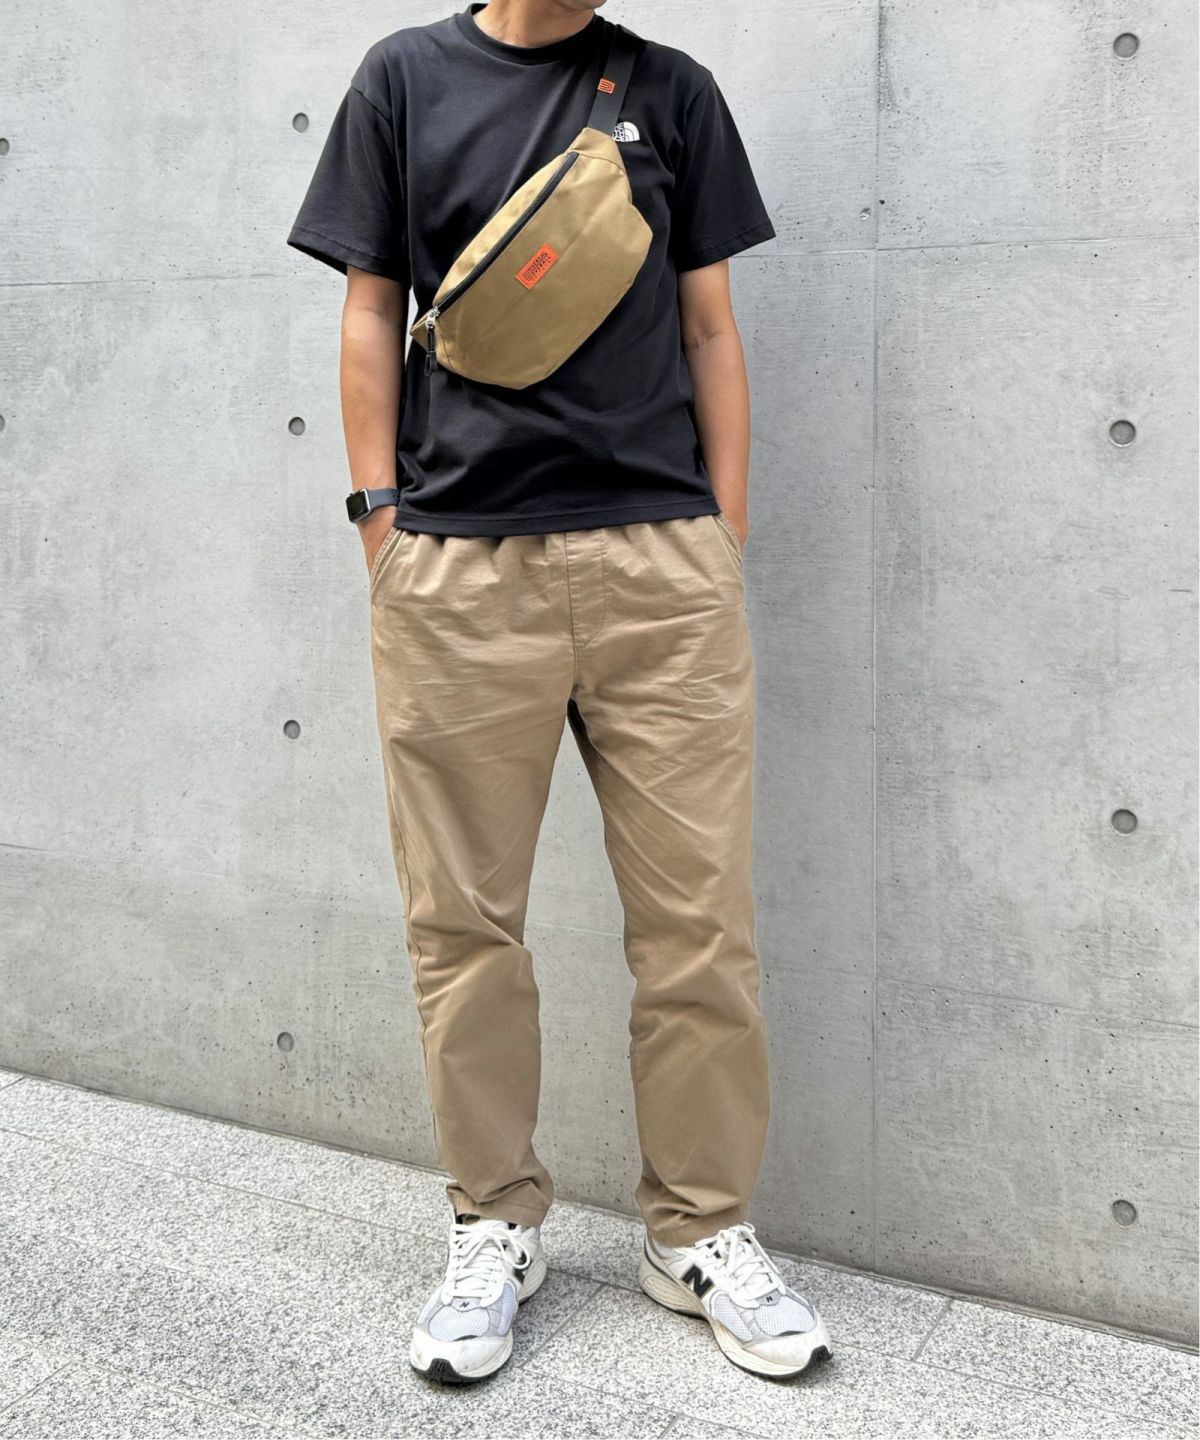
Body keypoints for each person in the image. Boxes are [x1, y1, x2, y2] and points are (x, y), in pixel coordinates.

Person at [287, 0, 832, 1386]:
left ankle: (700, 1228)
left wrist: (719, 536)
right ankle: (494, 1223)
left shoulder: (673, 89)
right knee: (463, 925)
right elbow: (372, 309)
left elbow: (710, 326)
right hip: (459, 571)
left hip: (662, 569)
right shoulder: (403, 80)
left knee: (699, 924)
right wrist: (380, 526)